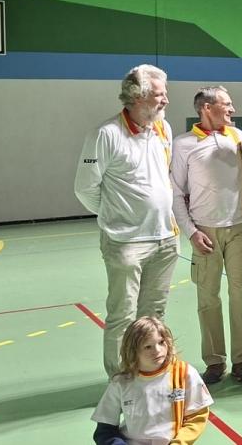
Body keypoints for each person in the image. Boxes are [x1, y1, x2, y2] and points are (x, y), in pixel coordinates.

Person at [75, 64, 180, 377]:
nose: (166, 101)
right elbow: (85, 189)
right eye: (160, 95)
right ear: (138, 97)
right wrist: (116, 217)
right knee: (123, 315)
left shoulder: (163, 129)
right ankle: (121, 381)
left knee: (154, 315)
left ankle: (150, 375)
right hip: (125, 243)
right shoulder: (106, 134)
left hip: (165, 239)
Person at [171, 86, 242, 384]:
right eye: (227, 104)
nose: (232, 110)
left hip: (239, 227)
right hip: (203, 231)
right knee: (208, 297)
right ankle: (215, 361)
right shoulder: (183, 144)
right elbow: (176, 192)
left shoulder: (240, 138)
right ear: (207, 108)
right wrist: (191, 232)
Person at [92, 317, 213, 445]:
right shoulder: (121, 382)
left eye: (161, 342)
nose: (157, 350)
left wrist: (179, 442)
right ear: (133, 351)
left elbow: (197, 416)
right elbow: (105, 430)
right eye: (148, 347)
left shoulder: (184, 373)